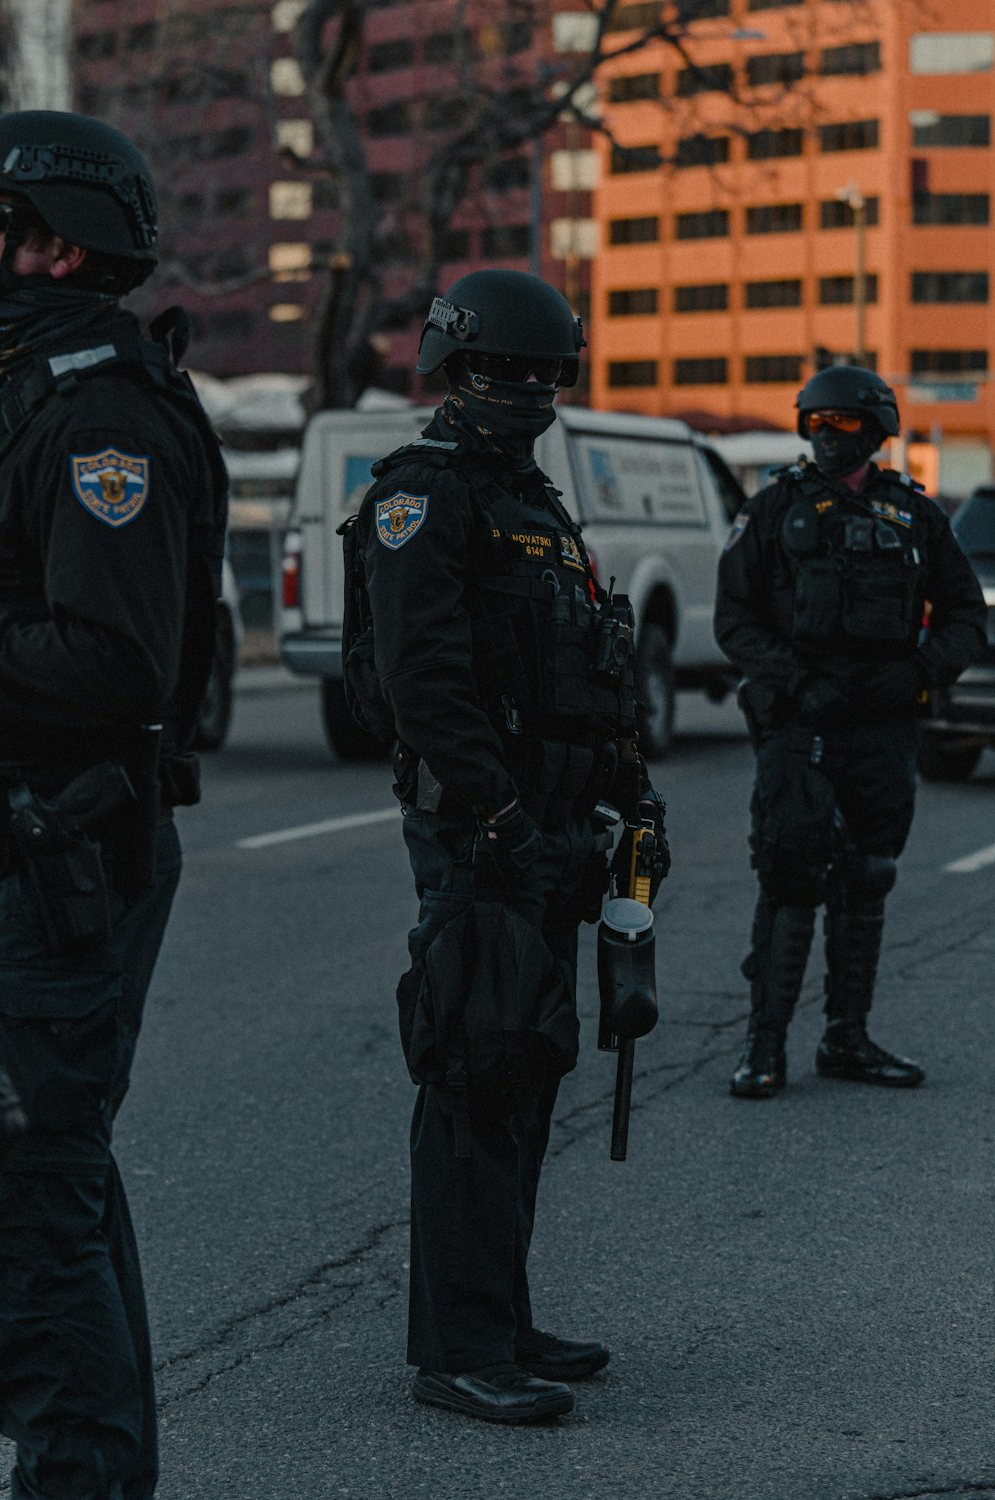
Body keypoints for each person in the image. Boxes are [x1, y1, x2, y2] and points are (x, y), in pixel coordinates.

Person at [352, 269, 669, 1423]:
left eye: (542, 375)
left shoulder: (534, 505)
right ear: (452, 370)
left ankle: (503, 1313)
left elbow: (593, 670)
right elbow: (422, 684)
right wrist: (499, 822)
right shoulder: (423, 496)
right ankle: (460, 1348)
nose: (525, 392)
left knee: (526, 1074)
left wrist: (633, 804)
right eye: (501, 372)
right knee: (477, 1077)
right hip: (482, 839)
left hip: (550, 835)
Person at [0, 111, 227, 1498]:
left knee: (31, 1194)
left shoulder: (104, 411)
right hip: (27, 843)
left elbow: (117, 664)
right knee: (49, 1178)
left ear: (55, 239)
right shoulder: (30, 382)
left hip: (66, 851)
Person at [715, 365, 985, 1099]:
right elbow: (734, 619)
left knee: (869, 875)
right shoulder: (772, 509)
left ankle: (847, 1038)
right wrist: (798, 682)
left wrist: (922, 673)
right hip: (802, 724)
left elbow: (967, 616)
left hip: (883, 725)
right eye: (815, 425)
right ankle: (763, 1046)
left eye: (840, 425)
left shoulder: (915, 517)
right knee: (791, 874)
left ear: (874, 430)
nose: (826, 438)